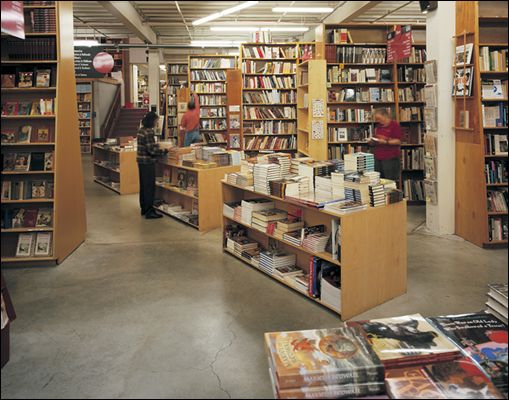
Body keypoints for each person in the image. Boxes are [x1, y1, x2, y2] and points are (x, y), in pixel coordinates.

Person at [137, 111, 168, 219]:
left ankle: (144, 208)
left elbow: (146, 146)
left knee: (143, 186)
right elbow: (151, 150)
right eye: (156, 121)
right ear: (152, 121)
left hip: (141, 161)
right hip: (148, 162)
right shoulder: (149, 132)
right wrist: (164, 151)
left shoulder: (141, 130)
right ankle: (150, 211)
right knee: (150, 187)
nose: (156, 123)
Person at [370, 108, 402, 183]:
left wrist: (386, 142)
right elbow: (377, 138)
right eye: (376, 119)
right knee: (378, 182)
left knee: (389, 182)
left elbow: (398, 141)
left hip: (390, 158)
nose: (378, 121)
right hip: (378, 158)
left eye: (379, 118)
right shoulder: (378, 126)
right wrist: (372, 141)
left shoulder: (394, 125)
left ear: (385, 116)